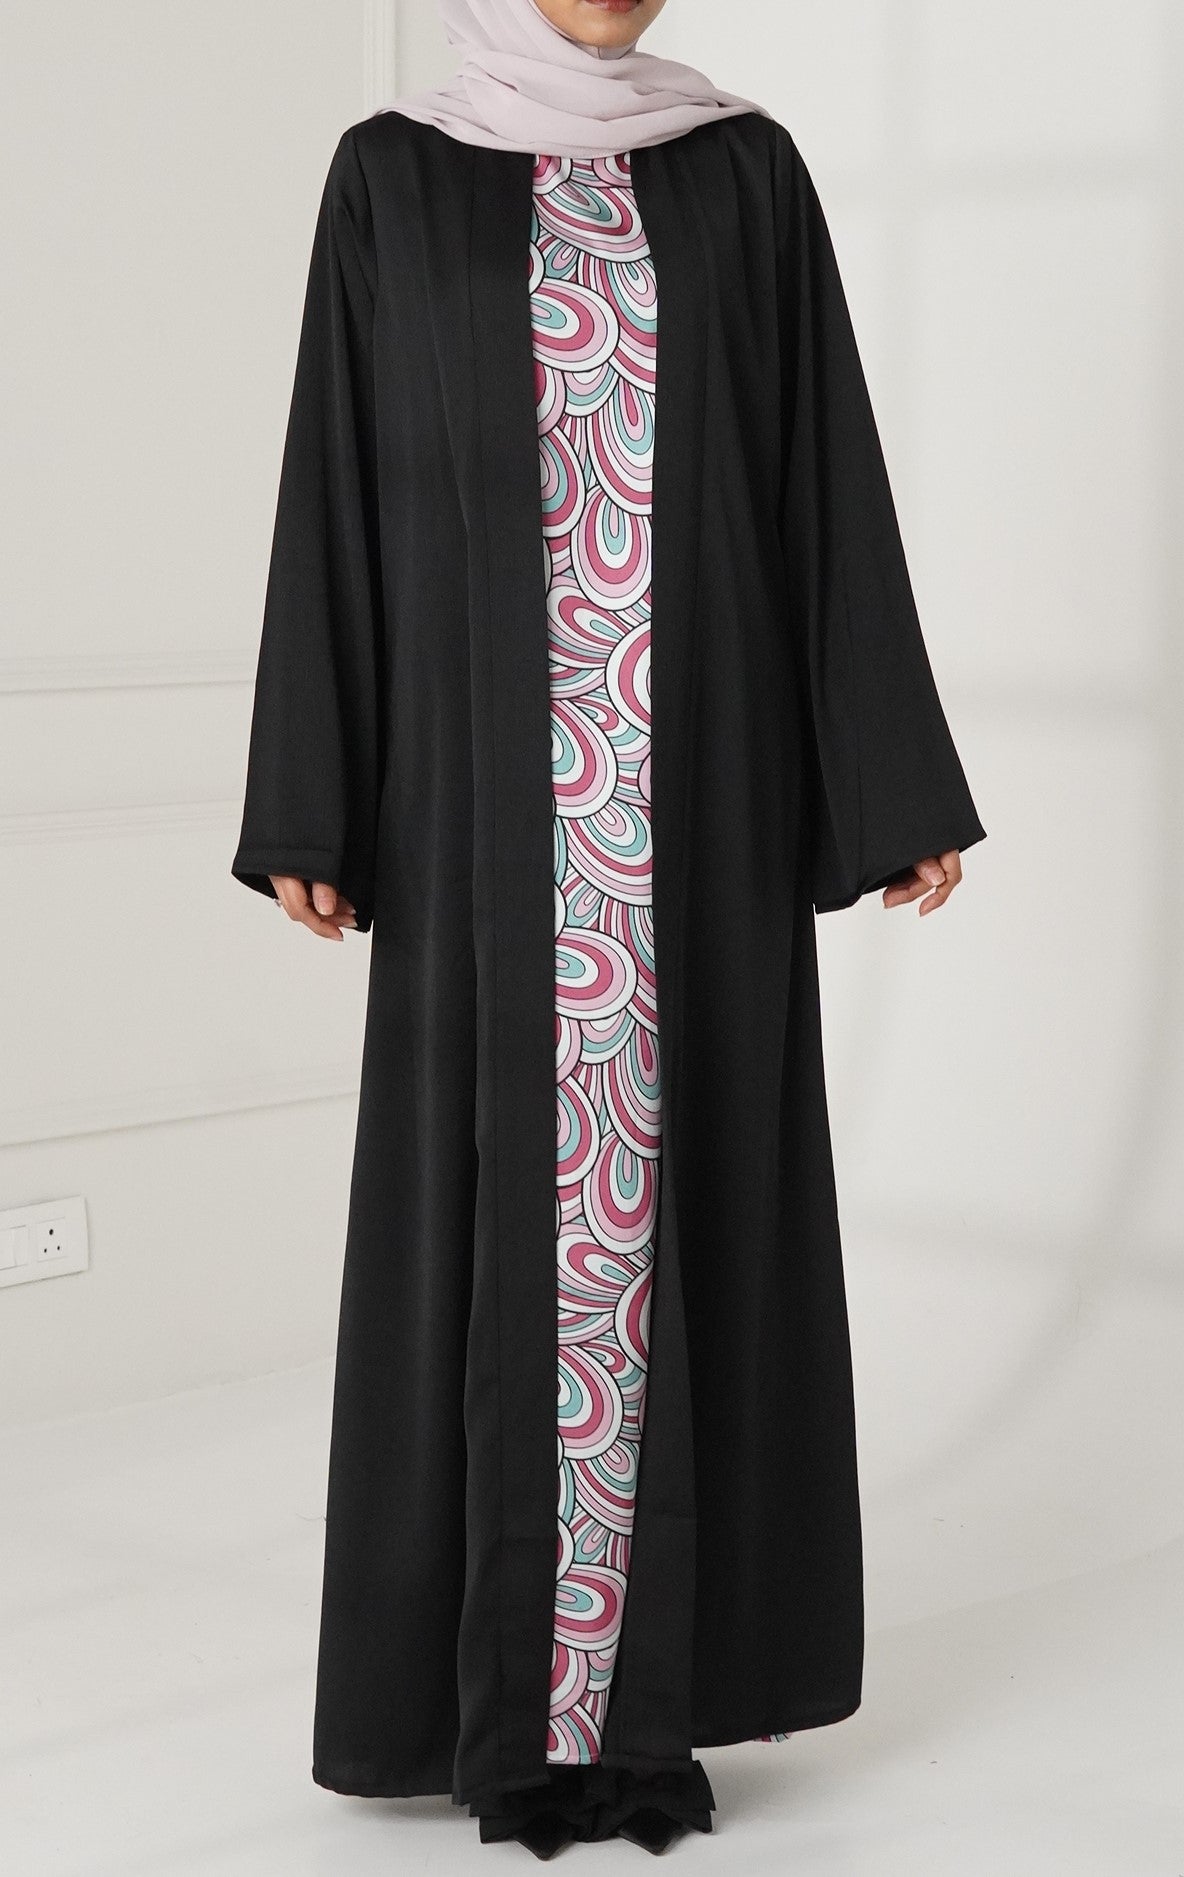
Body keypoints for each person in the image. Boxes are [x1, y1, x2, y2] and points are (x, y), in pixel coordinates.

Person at [230, 0, 987, 1857]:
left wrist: (886, 779)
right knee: (492, 1222)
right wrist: (314, 796)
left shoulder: (742, 173)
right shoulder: (395, 178)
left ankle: (657, 1702)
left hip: (700, 805)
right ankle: (505, 1704)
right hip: (477, 814)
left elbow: (822, 477)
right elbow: (336, 483)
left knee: (691, 1200)